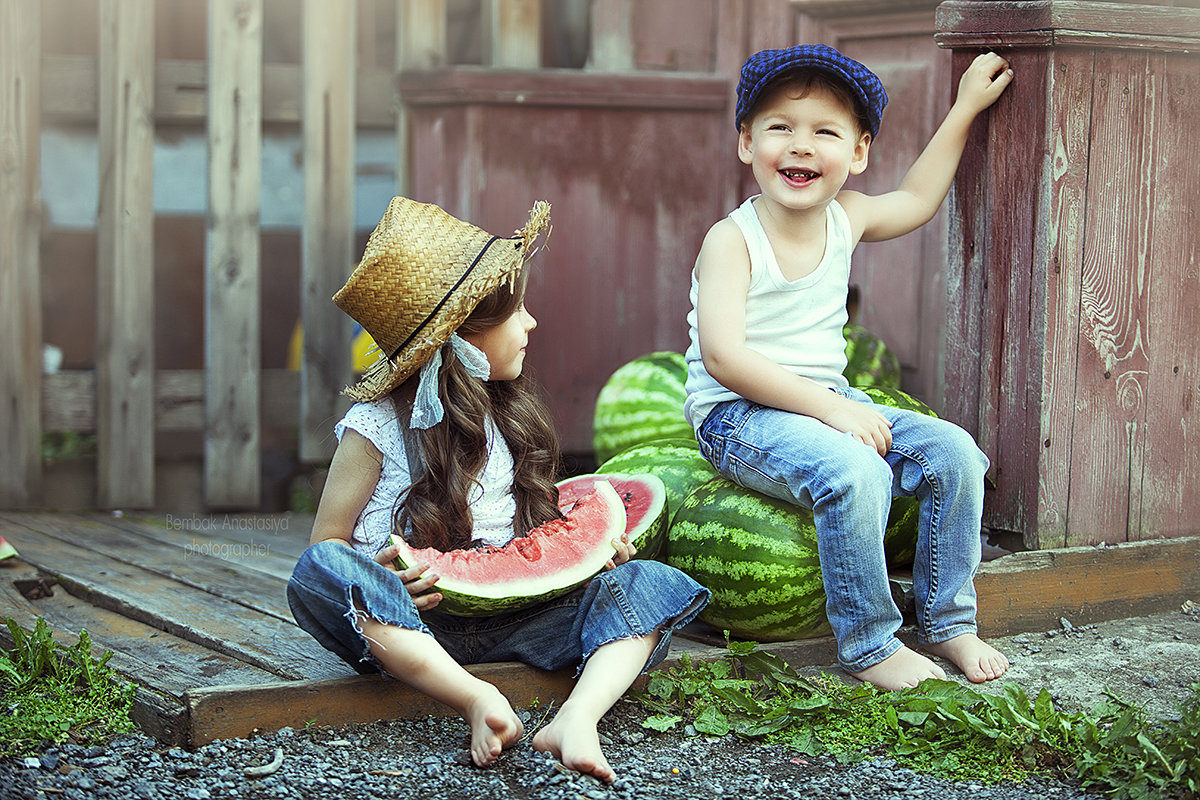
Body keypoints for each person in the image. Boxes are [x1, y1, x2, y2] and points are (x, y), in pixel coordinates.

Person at [286, 196, 709, 782]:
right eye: (516, 312)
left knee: (647, 582)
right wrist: (382, 571)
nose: (531, 322)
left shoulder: (509, 414)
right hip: (413, 628)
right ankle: (473, 697)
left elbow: (532, 542)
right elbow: (328, 541)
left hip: (524, 620)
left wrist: (593, 557)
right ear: (461, 335)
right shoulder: (376, 427)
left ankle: (578, 718)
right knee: (319, 571)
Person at [684, 44, 1013, 692]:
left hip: (821, 399)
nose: (801, 146)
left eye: (825, 132)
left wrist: (967, 107)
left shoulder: (849, 216)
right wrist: (834, 409)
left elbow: (919, 196)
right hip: (736, 415)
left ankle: (947, 619)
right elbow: (724, 357)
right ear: (747, 142)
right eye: (780, 127)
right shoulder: (732, 239)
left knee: (955, 454)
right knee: (856, 471)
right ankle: (869, 643)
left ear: (858, 152)